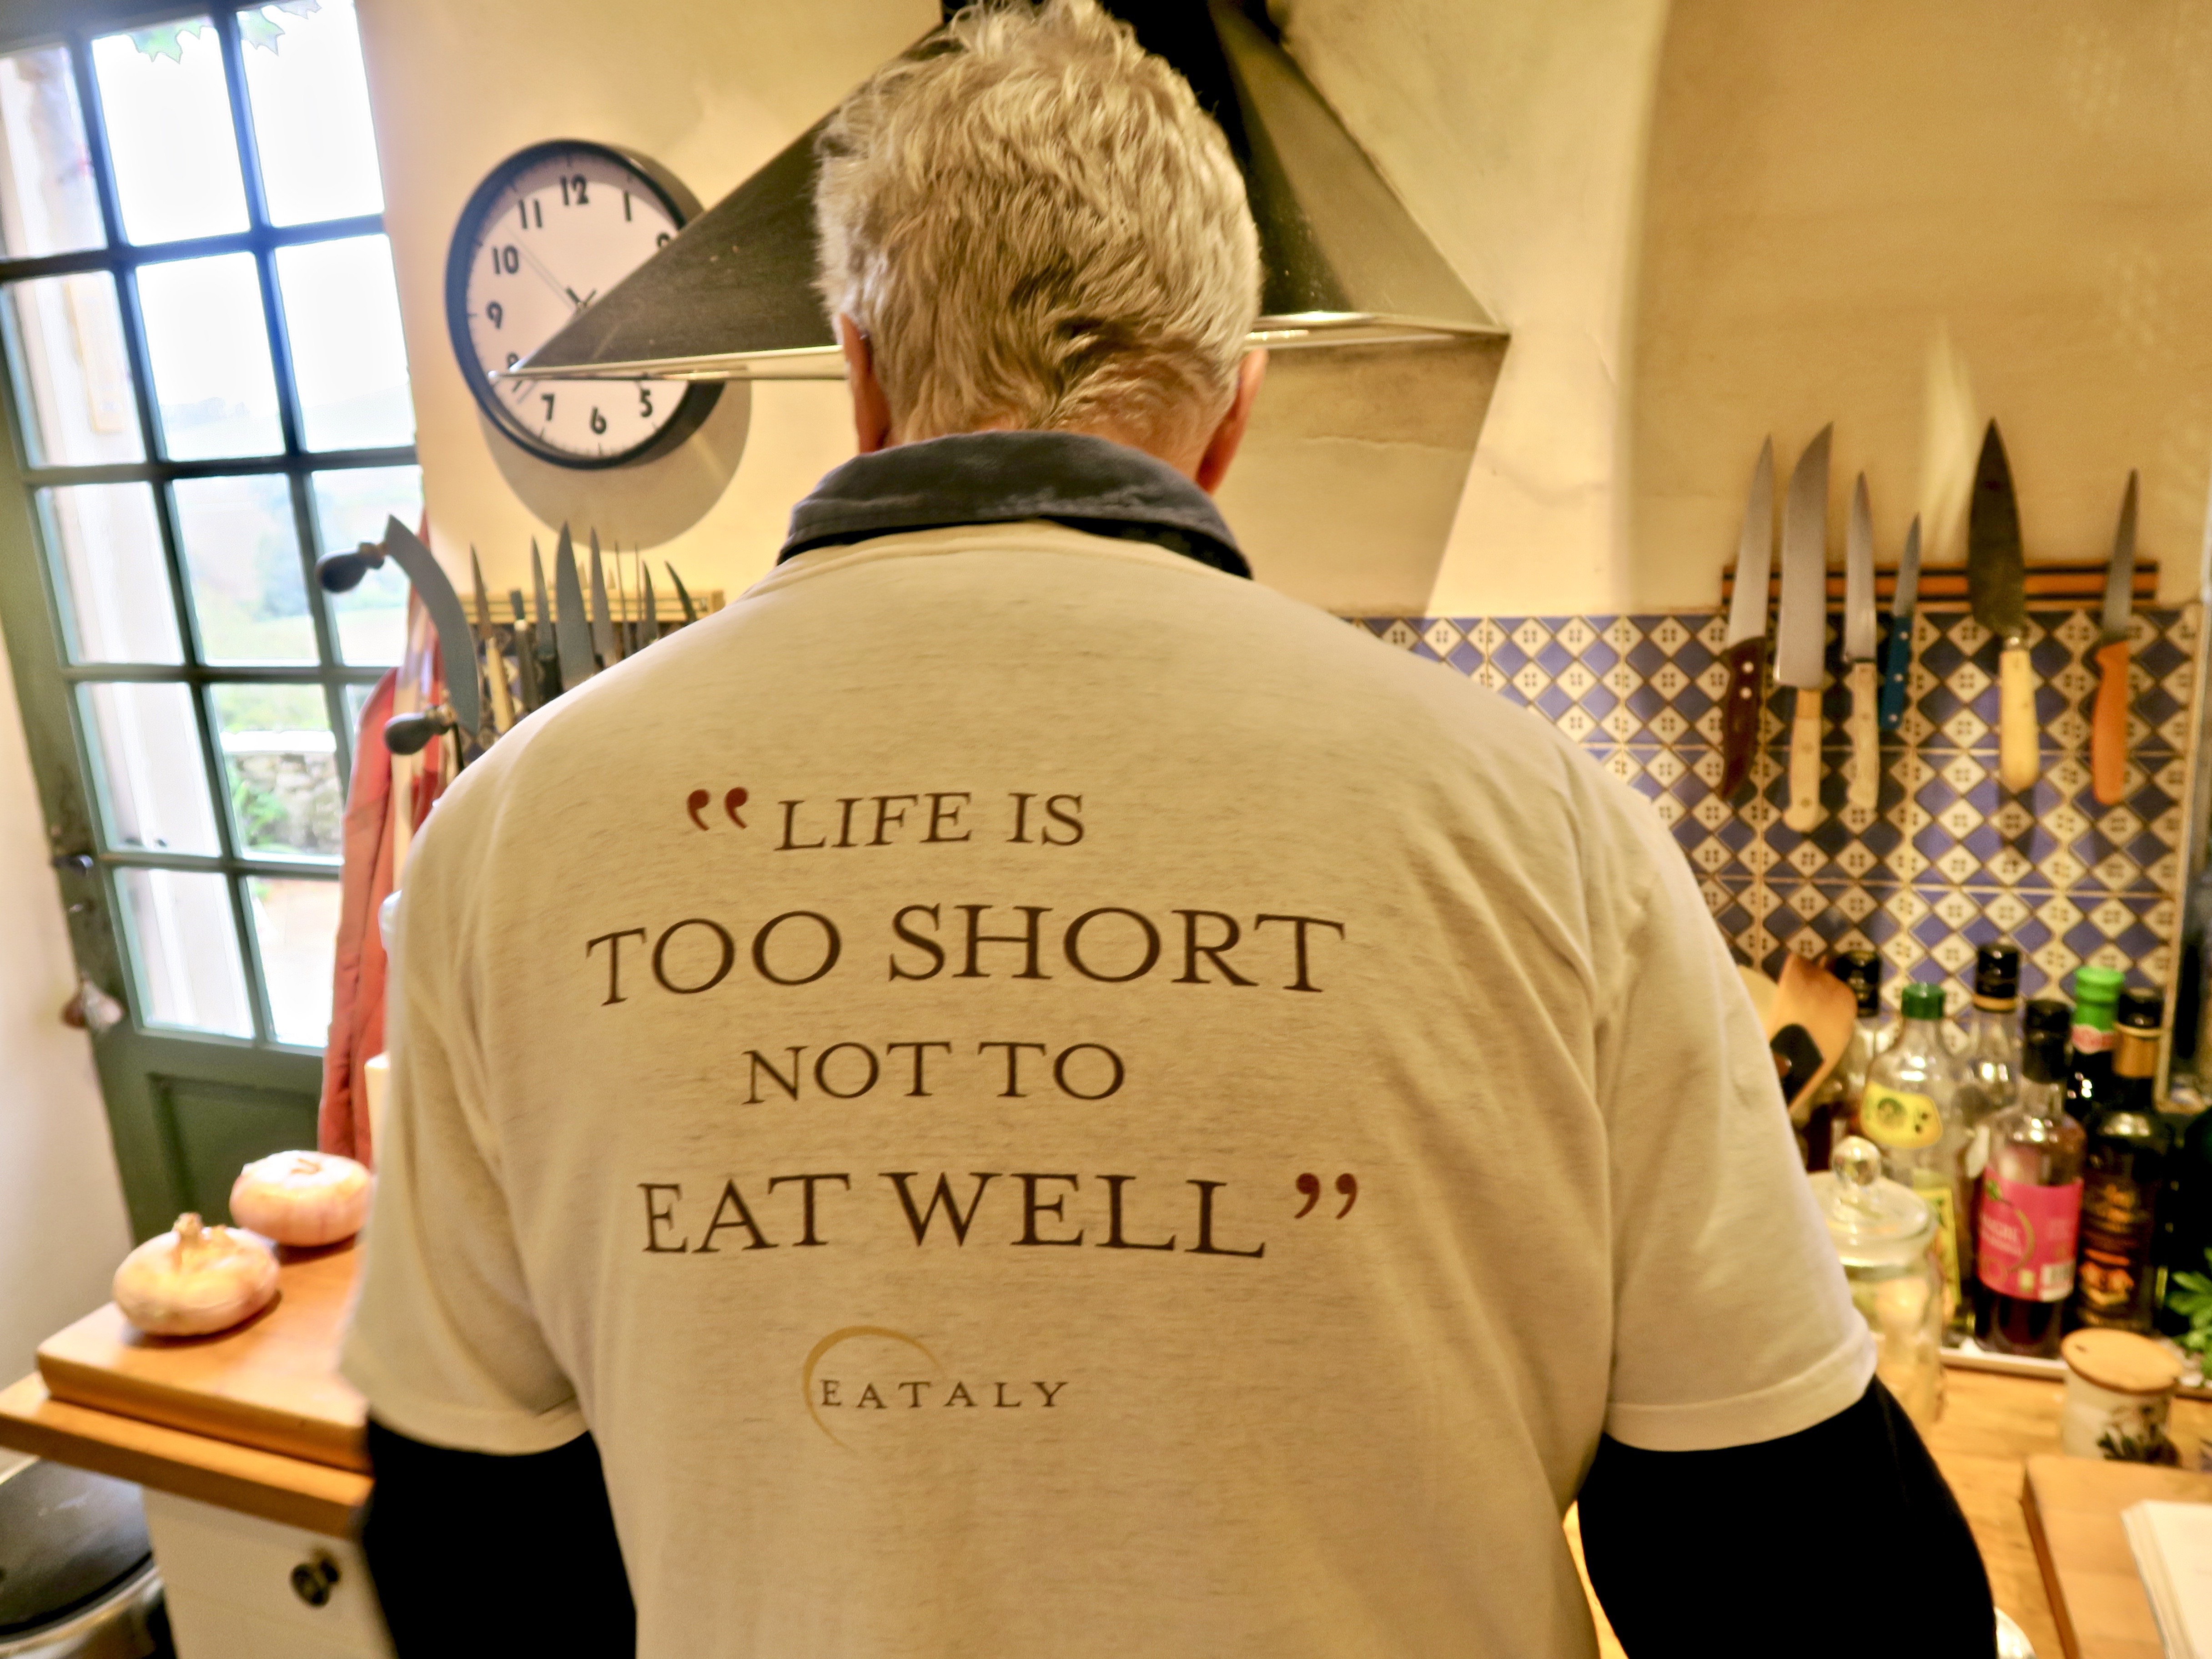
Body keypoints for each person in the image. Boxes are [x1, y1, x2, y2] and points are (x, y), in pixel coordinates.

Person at [344, 3, 1994, 1654]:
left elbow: (476, 1551)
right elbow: (1813, 1586)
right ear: (1234, 408)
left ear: (860, 373)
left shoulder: (502, 846)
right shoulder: (1547, 831)